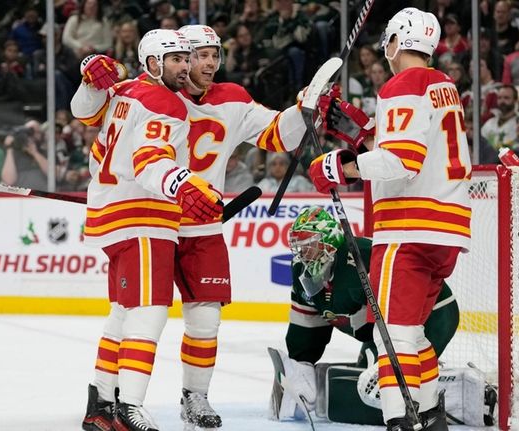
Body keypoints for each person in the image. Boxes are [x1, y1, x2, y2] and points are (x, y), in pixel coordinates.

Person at [71, 24, 317, 430]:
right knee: (132, 312)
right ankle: (111, 400)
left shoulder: (232, 99)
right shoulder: (156, 94)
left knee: (204, 320)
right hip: (159, 214)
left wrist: (303, 111)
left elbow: (279, 135)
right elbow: (90, 113)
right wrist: (91, 80)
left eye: (211, 55)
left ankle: (194, 397)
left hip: (199, 224)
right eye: (194, 55)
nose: (203, 63)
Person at [309, 7, 471, 430]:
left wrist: (337, 168)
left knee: (391, 335)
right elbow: (406, 140)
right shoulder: (443, 85)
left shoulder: (403, 82)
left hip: (408, 228)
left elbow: (402, 159)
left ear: (397, 41)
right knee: (412, 331)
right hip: (446, 230)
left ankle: (400, 420)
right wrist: (356, 127)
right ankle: (432, 414)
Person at [72, 29, 222, 431]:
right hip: (142, 217)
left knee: (123, 314)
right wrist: (182, 184)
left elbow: (82, 111)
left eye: (185, 59)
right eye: (175, 60)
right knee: (149, 311)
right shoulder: (164, 103)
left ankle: (100, 404)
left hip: (111, 214)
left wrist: (90, 80)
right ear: (152, 63)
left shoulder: (124, 90)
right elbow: (149, 161)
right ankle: (129, 408)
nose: (185, 66)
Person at [272, 206, 460, 425]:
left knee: (386, 383)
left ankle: (453, 395)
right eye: (299, 248)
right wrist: (301, 362)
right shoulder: (301, 270)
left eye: (309, 246)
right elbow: (307, 321)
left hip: (433, 315)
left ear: (330, 241)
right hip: (379, 329)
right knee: (367, 382)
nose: (303, 254)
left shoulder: (363, 257)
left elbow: (395, 310)